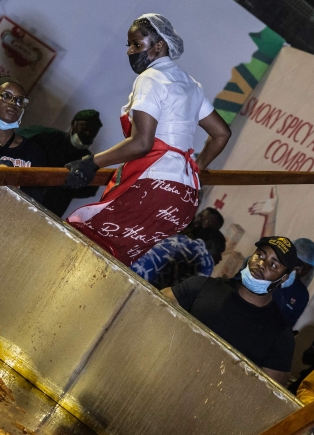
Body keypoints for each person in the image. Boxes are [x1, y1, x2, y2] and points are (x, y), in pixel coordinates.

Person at [64, 14, 231, 263]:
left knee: (83, 244)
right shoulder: (191, 85)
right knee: (114, 259)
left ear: (159, 46)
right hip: (184, 197)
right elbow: (221, 133)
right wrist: (195, 169)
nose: (130, 51)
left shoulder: (150, 79)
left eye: (137, 45)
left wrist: (91, 163)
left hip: (152, 188)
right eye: (129, 45)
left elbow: (141, 143)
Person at [163, 236, 298, 383]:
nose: (261, 264)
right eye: (260, 255)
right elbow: (154, 306)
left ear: (284, 278)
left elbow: (265, 396)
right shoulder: (201, 287)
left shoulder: (281, 336)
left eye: (273, 265)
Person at [19, 110, 104, 216]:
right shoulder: (47, 136)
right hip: (22, 196)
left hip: (49, 210)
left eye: (93, 131)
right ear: (74, 124)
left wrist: (65, 189)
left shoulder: (87, 161)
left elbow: (90, 190)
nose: (88, 133)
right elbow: (15, 141)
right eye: (84, 126)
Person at [130, 221, 226, 289]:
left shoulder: (178, 237)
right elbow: (185, 294)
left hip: (129, 269)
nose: (220, 258)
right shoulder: (206, 260)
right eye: (219, 252)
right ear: (210, 245)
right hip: (140, 286)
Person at [272, 237, 314, 328]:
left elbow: (287, 327)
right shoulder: (265, 270)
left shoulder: (301, 295)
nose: (300, 271)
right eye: (298, 263)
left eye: (306, 268)